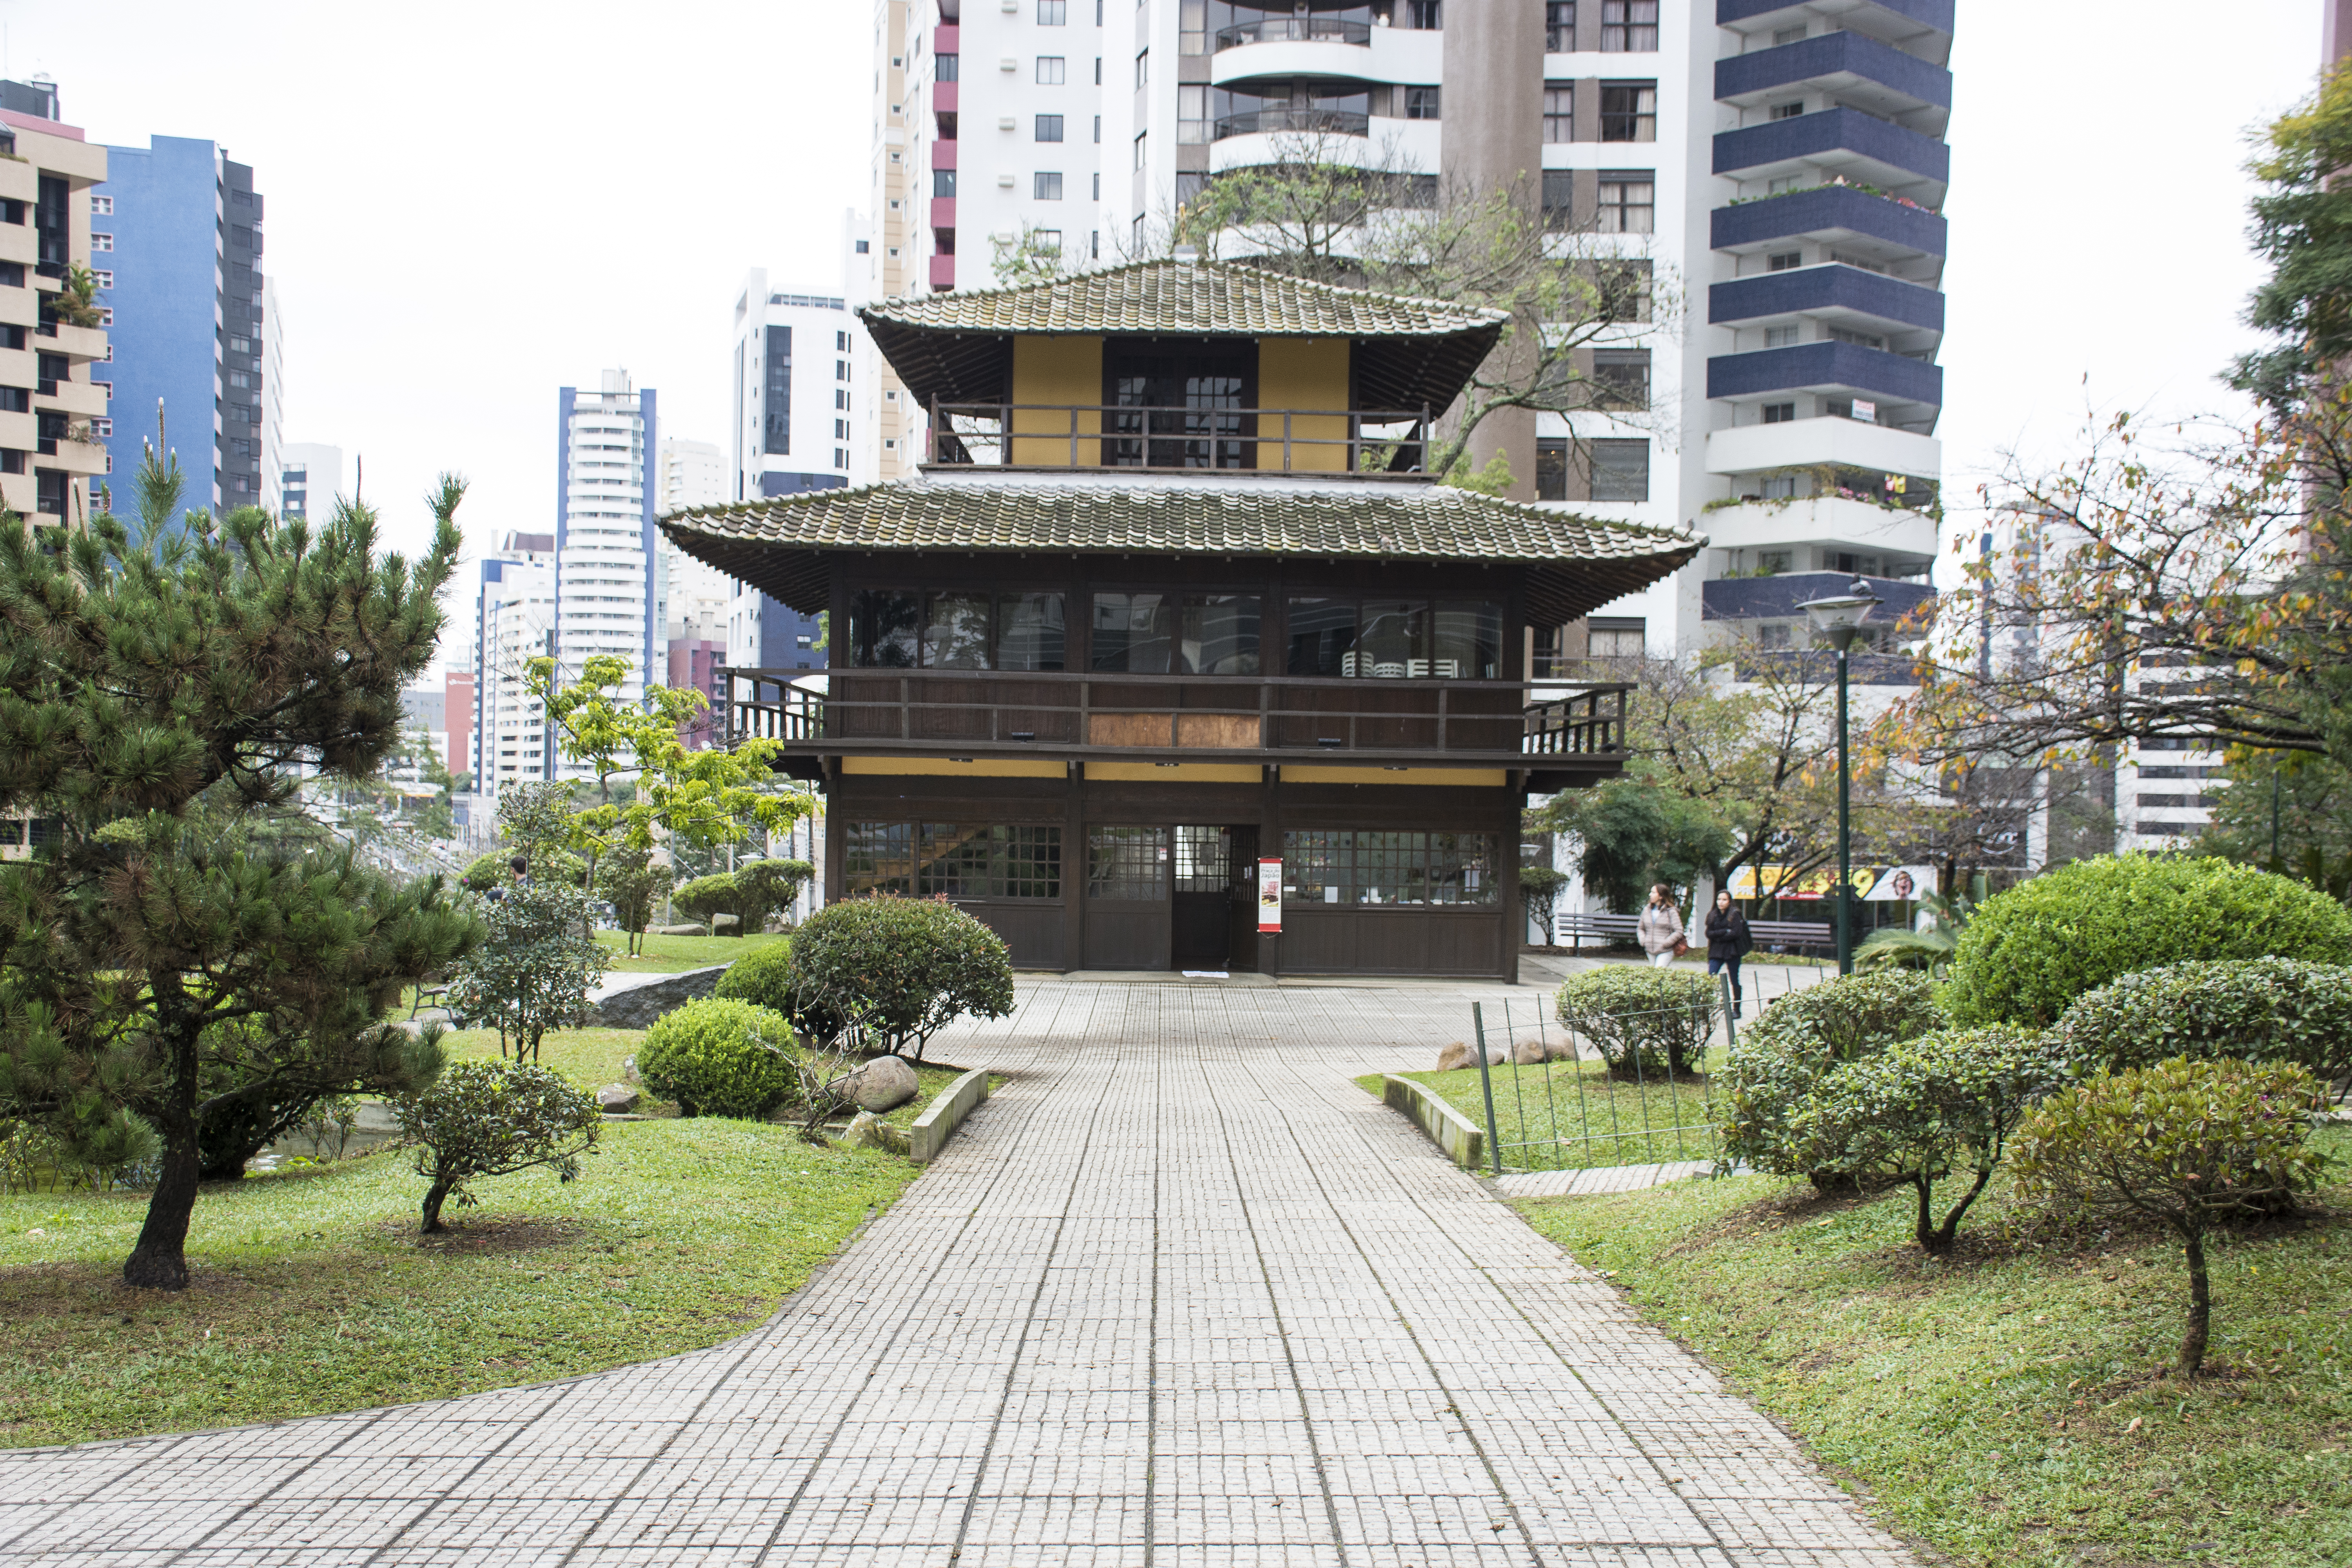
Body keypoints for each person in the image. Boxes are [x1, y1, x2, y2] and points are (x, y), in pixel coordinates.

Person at [1704, 889, 1755, 1017]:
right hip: (1716, 951)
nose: (1721, 902)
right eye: (1719, 899)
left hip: (1732, 951)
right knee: (1710, 976)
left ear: (1729, 901)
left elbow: (1736, 933)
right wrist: (1724, 932)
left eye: (1724, 900)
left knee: (1734, 980)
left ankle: (1737, 1009)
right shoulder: (1713, 914)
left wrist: (1719, 936)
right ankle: (1706, 1007)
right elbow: (1709, 933)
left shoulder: (1735, 914)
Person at [1636, 884, 1683, 968]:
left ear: (1661, 896)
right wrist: (1643, 940)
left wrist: (1666, 943)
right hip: (1650, 950)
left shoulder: (1671, 911)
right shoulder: (1647, 910)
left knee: (1659, 971)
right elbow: (1640, 928)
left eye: (1653, 893)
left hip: (1665, 950)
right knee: (1655, 974)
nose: (1650, 895)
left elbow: (1679, 931)